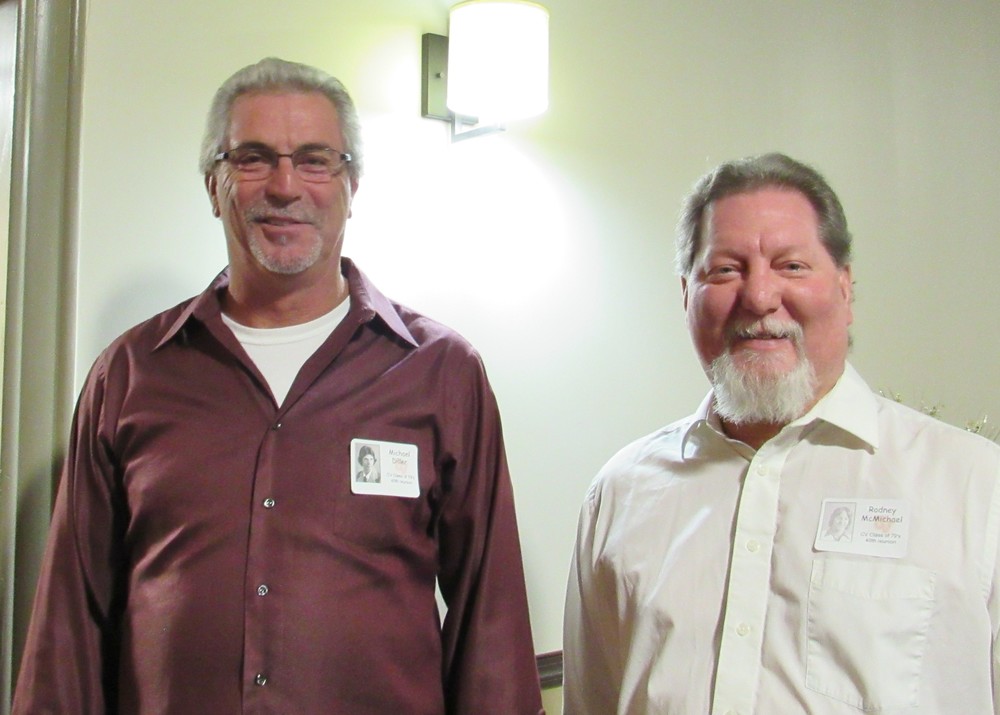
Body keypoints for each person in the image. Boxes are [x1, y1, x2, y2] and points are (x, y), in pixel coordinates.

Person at [13, 57, 543, 714]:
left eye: (315, 160)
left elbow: (491, 624)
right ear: (214, 186)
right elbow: (70, 626)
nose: (286, 186)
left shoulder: (442, 373)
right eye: (253, 159)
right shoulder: (127, 376)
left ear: (351, 185)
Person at [563, 152, 1000, 713]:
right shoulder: (621, 494)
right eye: (726, 270)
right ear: (686, 294)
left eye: (791, 266)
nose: (760, 297)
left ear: (845, 288)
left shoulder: (974, 487)